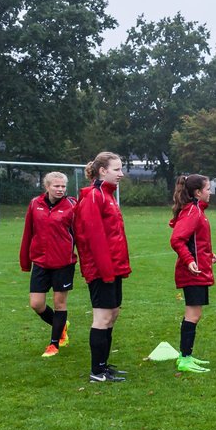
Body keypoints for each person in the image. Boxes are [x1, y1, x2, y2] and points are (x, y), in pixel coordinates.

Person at [74, 152, 131, 382]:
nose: (121, 174)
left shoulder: (106, 195)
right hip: (101, 270)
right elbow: (93, 239)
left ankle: (103, 365)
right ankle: (97, 372)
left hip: (113, 268)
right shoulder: (93, 197)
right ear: (102, 171)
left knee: (113, 314)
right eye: (116, 169)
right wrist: (106, 272)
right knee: (102, 318)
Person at [18, 172, 76, 357]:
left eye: (63, 186)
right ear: (47, 187)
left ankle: (54, 344)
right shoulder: (35, 204)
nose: (60, 189)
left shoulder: (72, 206)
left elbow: (81, 236)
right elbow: (28, 232)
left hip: (63, 263)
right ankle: (61, 326)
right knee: (36, 304)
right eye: (56, 186)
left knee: (60, 303)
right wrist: (26, 261)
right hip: (41, 262)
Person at [170, 174, 216, 374]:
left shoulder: (197, 210)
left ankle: (185, 356)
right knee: (193, 313)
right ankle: (185, 358)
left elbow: (196, 241)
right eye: (208, 188)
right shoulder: (193, 212)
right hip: (192, 272)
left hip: (198, 268)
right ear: (198, 192)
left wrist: (208, 255)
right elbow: (177, 240)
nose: (210, 192)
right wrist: (190, 260)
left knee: (194, 313)